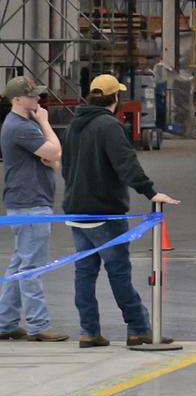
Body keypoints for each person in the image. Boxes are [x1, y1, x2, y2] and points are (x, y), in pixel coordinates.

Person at [62, 74, 180, 348]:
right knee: (119, 273)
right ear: (116, 97)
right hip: (105, 213)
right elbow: (126, 164)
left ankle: (89, 331)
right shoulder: (109, 126)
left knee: (84, 274)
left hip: (76, 213)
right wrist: (150, 192)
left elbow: (67, 167)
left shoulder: (73, 126)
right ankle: (138, 328)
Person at [0, 76, 68, 342]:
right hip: (30, 204)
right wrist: (45, 123)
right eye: (32, 96)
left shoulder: (22, 124)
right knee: (32, 268)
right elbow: (54, 153)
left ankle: (5, 322)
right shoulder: (21, 127)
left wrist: (51, 155)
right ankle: (38, 325)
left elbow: (54, 159)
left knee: (19, 265)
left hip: (27, 202)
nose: (38, 100)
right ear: (17, 99)